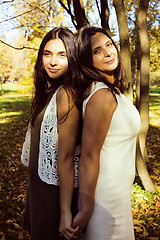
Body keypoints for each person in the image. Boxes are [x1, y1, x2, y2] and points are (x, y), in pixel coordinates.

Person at [72, 26, 141, 240]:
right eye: (97, 51)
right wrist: (85, 209)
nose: (108, 52)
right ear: (86, 60)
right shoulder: (101, 96)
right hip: (105, 199)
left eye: (109, 45)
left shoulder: (110, 90)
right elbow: (88, 156)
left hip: (118, 196)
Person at [21, 27, 81, 240]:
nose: (52, 61)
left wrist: (65, 212)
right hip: (39, 188)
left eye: (61, 55)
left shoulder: (67, 94)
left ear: (72, 57)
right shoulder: (51, 91)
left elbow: (65, 157)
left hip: (53, 194)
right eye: (47, 54)